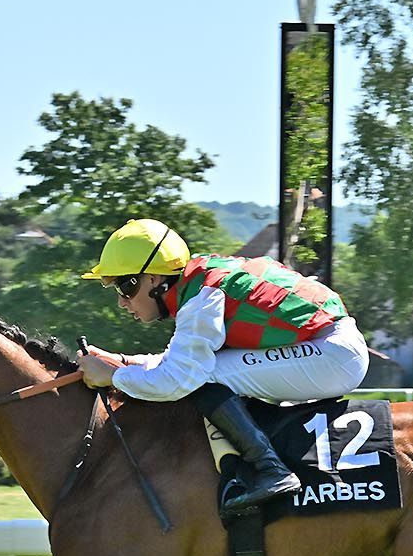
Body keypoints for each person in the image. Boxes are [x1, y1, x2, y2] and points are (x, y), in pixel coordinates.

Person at [75, 218, 369, 516]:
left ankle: (271, 470)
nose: (122, 302)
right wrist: (121, 361)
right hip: (329, 344)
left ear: (153, 278)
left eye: (125, 286)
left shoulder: (202, 299)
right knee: (203, 372)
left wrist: (114, 376)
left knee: (203, 378)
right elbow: (179, 362)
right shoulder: (198, 283)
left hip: (333, 354)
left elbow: (181, 379)